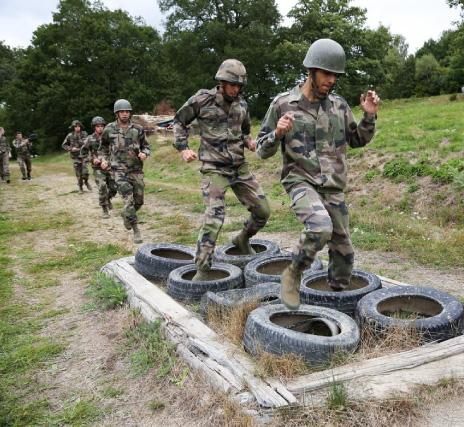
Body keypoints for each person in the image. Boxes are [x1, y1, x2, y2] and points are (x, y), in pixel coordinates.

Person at [256, 38, 380, 309]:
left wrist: (369, 116)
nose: (332, 80)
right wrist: (276, 134)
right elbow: (260, 150)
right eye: (326, 73)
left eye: (335, 75)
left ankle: (337, 305)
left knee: (344, 255)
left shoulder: (339, 106)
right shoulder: (282, 104)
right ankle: (294, 272)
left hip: (333, 186)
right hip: (300, 181)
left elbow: (357, 140)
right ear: (311, 71)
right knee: (320, 227)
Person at [173, 59, 270, 281]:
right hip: (214, 168)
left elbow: (245, 131)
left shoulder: (242, 104)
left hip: (239, 167)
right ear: (222, 82)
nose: (236, 89)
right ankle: (203, 269)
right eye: (232, 85)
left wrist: (250, 142)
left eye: (239, 86)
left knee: (263, 211)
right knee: (215, 216)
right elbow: (179, 121)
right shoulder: (202, 99)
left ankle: (242, 239)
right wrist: (183, 148)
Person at [100, 99, 150, 243]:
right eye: (122, 111)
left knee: (138, 201)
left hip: (136, 169)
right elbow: (102, 148)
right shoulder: (109, 129)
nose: (124, 114)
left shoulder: (138, 129)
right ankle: (136, 230)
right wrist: (104, 159)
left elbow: (146, 146)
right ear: (117, 113)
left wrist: (144, 153)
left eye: (127, 111)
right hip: (119, 170)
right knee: (128, 200)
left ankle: (126, 214)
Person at [81, 116, 117, 218]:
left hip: (109, 166)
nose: (100, 128)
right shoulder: (90, 139)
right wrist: (92, 159)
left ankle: (108, 198)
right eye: (98, 126)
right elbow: (83, 152)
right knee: (102, 186)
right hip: (97, 168)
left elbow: (115, 150)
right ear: (94, 127)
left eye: (102, 126)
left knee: (114, 188)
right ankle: (104, 209)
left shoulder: (109, 137)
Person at [62, 120, 91, 192]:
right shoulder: (70, 135)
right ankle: (80, 187)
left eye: (79, 126)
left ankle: (86, 182)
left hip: (84, 156)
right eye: (75, 126)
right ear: (73, 127)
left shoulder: (84, 134)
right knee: (79, 175)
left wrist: (83, 144)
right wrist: (71, 149)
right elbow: (64, 145)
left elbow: (87, 143)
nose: (77, 128)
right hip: (75, 157)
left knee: (85, 172)